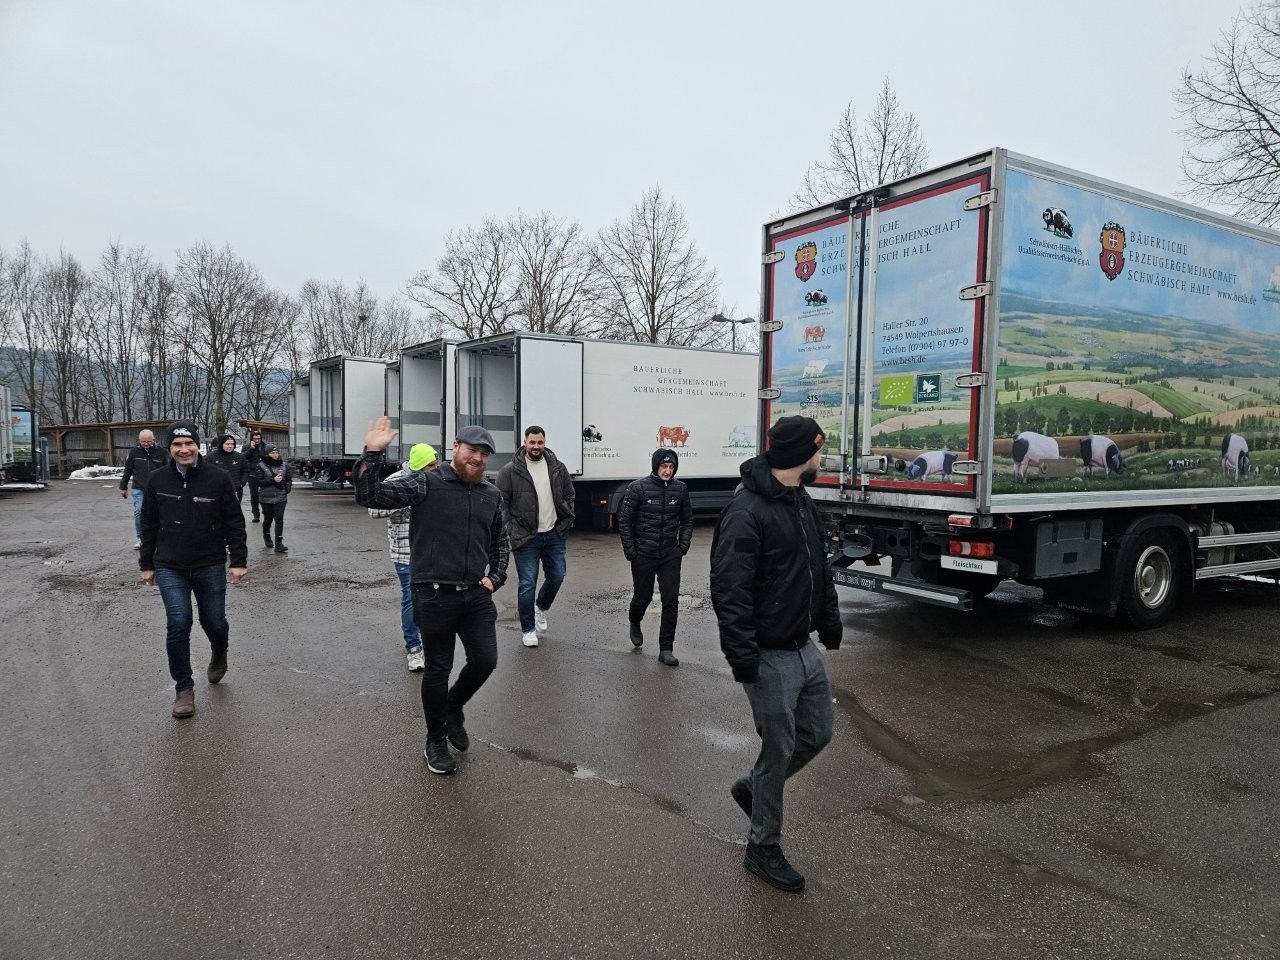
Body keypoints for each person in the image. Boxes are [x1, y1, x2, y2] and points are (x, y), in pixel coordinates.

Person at [710, 415, 842, 893]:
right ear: (804, 454)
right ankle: (762, 847)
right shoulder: (746, 511)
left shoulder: (801, 500)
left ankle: (753, 788)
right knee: (779, 747)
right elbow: (730, 591)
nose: (822, 457)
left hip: (803, 646)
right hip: (768, 655)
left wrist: (829, 619)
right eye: (819, 449)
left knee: (818, 732)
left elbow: (818, 568)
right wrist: (743, 658)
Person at [354, 418, 509, 776]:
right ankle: (435, 739)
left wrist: (496, 577)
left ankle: (453, 707)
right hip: (433, 594)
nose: (478, 458)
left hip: (475, 594)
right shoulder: (426, 483)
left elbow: (501, 541)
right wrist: (373, 454)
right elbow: (370, 496)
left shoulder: (491, 494)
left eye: (484, 453)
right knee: (438, 669)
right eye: (472, 450)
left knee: (485, 661)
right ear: (455, 448)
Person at [139, 421, 247, 719]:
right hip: (169, 565)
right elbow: (148, 524)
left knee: (214, 622)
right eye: (177, 445)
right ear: (169, 448)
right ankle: (184, 688)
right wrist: (146, 564)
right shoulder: (158, 480)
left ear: (198, 446)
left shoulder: (218, 478)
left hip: (209, 563)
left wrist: (238, 561)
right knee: (178, 623)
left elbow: (234, 523)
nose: (184, 449)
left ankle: (219, 651)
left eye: (189, 444)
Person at [495, 425, 575, 648]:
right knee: (527, 583)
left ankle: (540, 607)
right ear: (525, 443)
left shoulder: (558, 467)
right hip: (525, 537)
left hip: (554, 533)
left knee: (557, 576)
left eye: (540, 442)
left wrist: (566, 520)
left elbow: (569, 494)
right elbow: (501, 504)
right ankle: (528, 629)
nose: (536, 446)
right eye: (532, 442)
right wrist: (510, 529)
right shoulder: (509, 471)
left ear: (544, 443)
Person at [618, 448, 693, 667]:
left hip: (670, 554)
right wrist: (631, 551)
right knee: (644, 596)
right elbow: (624, 522)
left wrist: (682, 547)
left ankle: (666, 649)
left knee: (670, 600)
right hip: (643, 554)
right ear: (655, 466)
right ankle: (635, 619)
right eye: (663, 466)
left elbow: (687, 521)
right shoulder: (638, 488)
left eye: (671, 467)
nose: (667, 471)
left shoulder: (680, 489)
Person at [368, 442, 438, 672]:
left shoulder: (434, 480)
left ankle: (428, 644)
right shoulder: (395, 481)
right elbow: (373, 510)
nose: (435, 468)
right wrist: (405, 500)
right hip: (405, 553)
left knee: (430, 600)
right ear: (419, 466)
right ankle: (414, 648)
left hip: (431, 552)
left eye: (435, 464)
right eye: (431, 465)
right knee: (411, 598)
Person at [119, 429, 167, 549]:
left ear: (153, 440)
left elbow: (167, 470)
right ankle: (141, 538)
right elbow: (128, 470)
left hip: (157, 488)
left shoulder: (161, 452)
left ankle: (160, 538)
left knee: (159, 513)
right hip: (139, 488)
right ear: (139, 440)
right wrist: (123, 487)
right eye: (143, 442)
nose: (146, 444)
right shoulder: (134, 452)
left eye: (149, 441)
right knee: (139, 511)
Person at [255, 444, 292, 553]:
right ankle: (267, 536)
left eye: (276, 453)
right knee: (268, 519)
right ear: (267, 454)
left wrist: (287, 488)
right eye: (272, 453)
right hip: (266, 497)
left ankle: (279, 543)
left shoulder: (284, 465)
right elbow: (259, 482)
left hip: (281, 496)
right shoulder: (261, 465)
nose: (275, 455)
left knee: (279, 519)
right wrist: (273, 480)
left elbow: (289, 479)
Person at [207, 434, 249, 503]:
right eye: (227, 444)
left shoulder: (240, 457)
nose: (230, 446)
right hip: (216, 491)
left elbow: (245, 471)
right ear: (222, 444)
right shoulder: (211, 457)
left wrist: (241, 483)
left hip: (235, 490)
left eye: (232, 444)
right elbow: (205, 472)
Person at [244, 430, 265, 522]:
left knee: (265, 494)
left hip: (264, 474)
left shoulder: (265, 446)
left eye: (258, 439)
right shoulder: (246, 447)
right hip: (252, 474)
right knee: (254, 496)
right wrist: (251, 448)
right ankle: (256, 514)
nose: (257, 440)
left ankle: (266, 512)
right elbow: (243, 457)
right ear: (251, 439)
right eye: (255, 439)